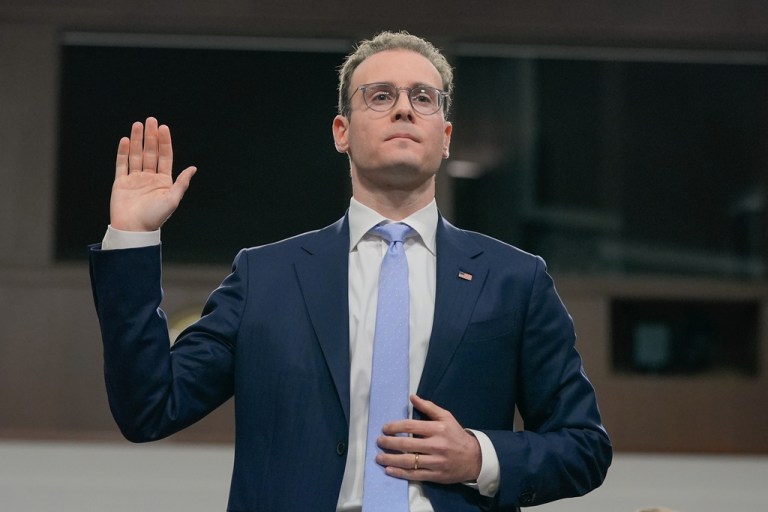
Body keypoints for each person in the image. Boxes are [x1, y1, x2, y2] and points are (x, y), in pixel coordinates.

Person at [89, 31, 611, 511]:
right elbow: (149, 408)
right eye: (380, 96)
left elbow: (584, 446)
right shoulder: (265, 276)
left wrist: (480, 457)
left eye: (423, 98)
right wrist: (133, 238)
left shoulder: (516, 279)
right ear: (342, 131)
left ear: (445, 135)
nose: (404, 109)